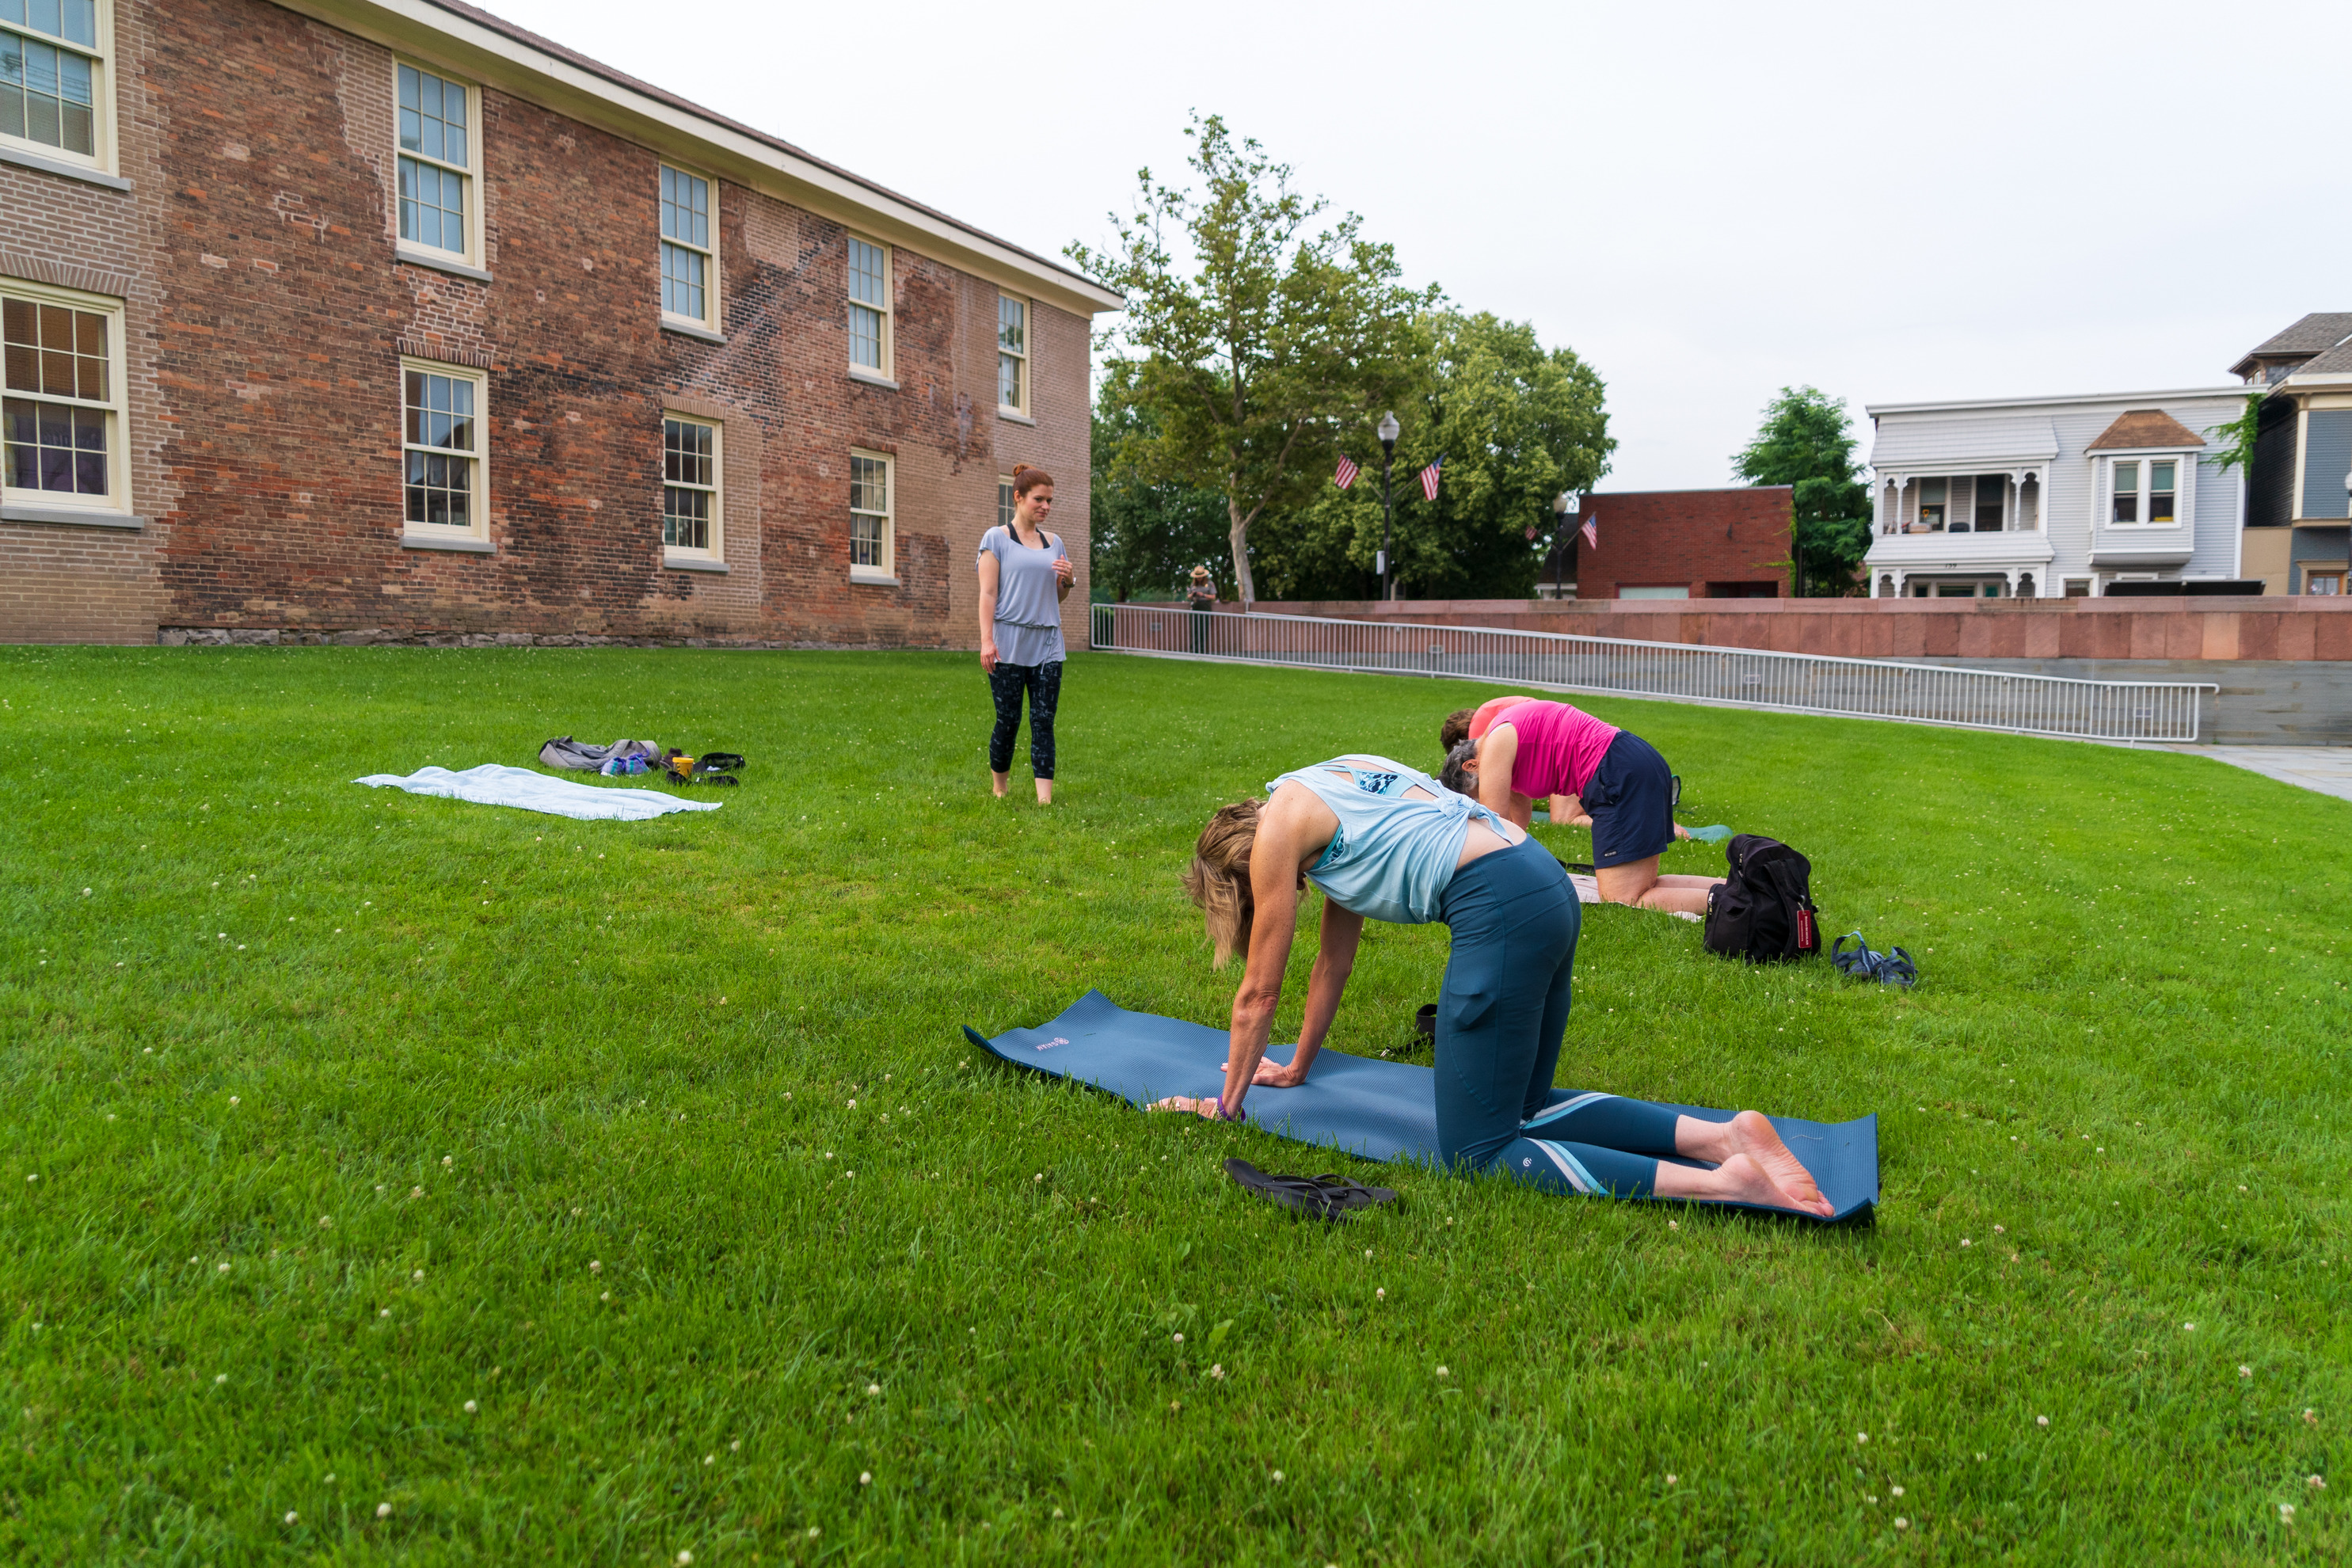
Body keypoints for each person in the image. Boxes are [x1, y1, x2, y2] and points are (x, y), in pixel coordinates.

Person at [1155, 756, 1832, 1216]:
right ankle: (1724, 1138)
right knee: (1527, 1108)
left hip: (1502, 906)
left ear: (1239, 870)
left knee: (1480, 1153)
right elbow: (1334, 963)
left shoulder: (1277, 834)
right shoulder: (1325, 795)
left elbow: (1258, 993)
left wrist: (1225, 1108)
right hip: (1544, 885)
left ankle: (1726, 1184)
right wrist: (1300, 1066)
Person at [1439, 696, 1721, 916]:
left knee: (1624, 898)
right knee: (1643, 886)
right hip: (1630, 764)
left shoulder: (1496, 744)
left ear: (1472, 765)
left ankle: (1735, 903)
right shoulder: (1505, 747)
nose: (1484, 798)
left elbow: (1496, 828)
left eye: (1475, 795)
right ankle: (1736, 888)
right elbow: (1516, 830)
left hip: (1617, 773)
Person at [976, 464, 1075, 804]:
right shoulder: (996, 538)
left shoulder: (1055, 542)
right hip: (1008, 644)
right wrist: (987, 641)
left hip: (1048, 643)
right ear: (1018, 497)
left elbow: (1057, 595)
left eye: (1050, 501)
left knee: (1044, 720)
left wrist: (1068, 581)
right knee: (1008, 720)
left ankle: (1044, 800)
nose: (1046, 506)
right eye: (1039, 499)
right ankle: (999, 787)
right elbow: (988, 594)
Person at [1186, 565, 1217, 653]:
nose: (1199, 579)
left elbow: (1213, 597)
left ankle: (1202, 649)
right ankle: (1194, 649)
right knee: (1195, 629)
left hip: (1205, 606)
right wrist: (1192, 595)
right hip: (1195, 606)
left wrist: (1203, 595)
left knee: (1203, 628)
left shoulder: (1210, 584)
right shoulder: (1193, 585)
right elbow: (1188, 596)